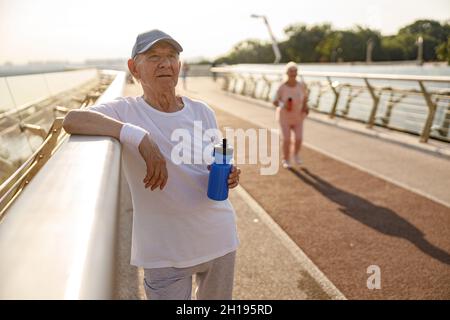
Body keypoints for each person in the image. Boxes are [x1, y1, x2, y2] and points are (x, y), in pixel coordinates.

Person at [62, 29, 241, 300]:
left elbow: (212, 161)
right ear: (134, 68)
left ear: (179, 66)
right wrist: (138, 136)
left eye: (171, 56)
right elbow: (72, 120)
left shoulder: (202, 111)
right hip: (164, 252)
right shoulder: (125, 111)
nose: (165, 63)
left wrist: (229, 174)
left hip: (218, 239)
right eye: (154, 57)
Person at [273, 61, 309, 169]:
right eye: (291, 71)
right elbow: (275, 101)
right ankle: (286, 159)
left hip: (298, 116)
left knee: (299, 138)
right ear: (287, 73)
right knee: (287, 139)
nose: (293, 73)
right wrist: (283, 105)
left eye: (295, 71)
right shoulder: (281, 87)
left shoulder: (301, 85)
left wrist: (305, 106)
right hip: (284, 117)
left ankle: (296, 154)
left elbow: (305, 98)